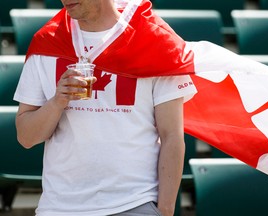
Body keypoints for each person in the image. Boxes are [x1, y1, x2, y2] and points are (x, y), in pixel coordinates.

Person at [14, 0, 196, 215]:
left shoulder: (156, 41)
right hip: (60, 207)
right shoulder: (46, 43)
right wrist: (57, 102)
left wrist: (164, 210)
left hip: (135, 203)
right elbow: (26, 138)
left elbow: (172, 136)